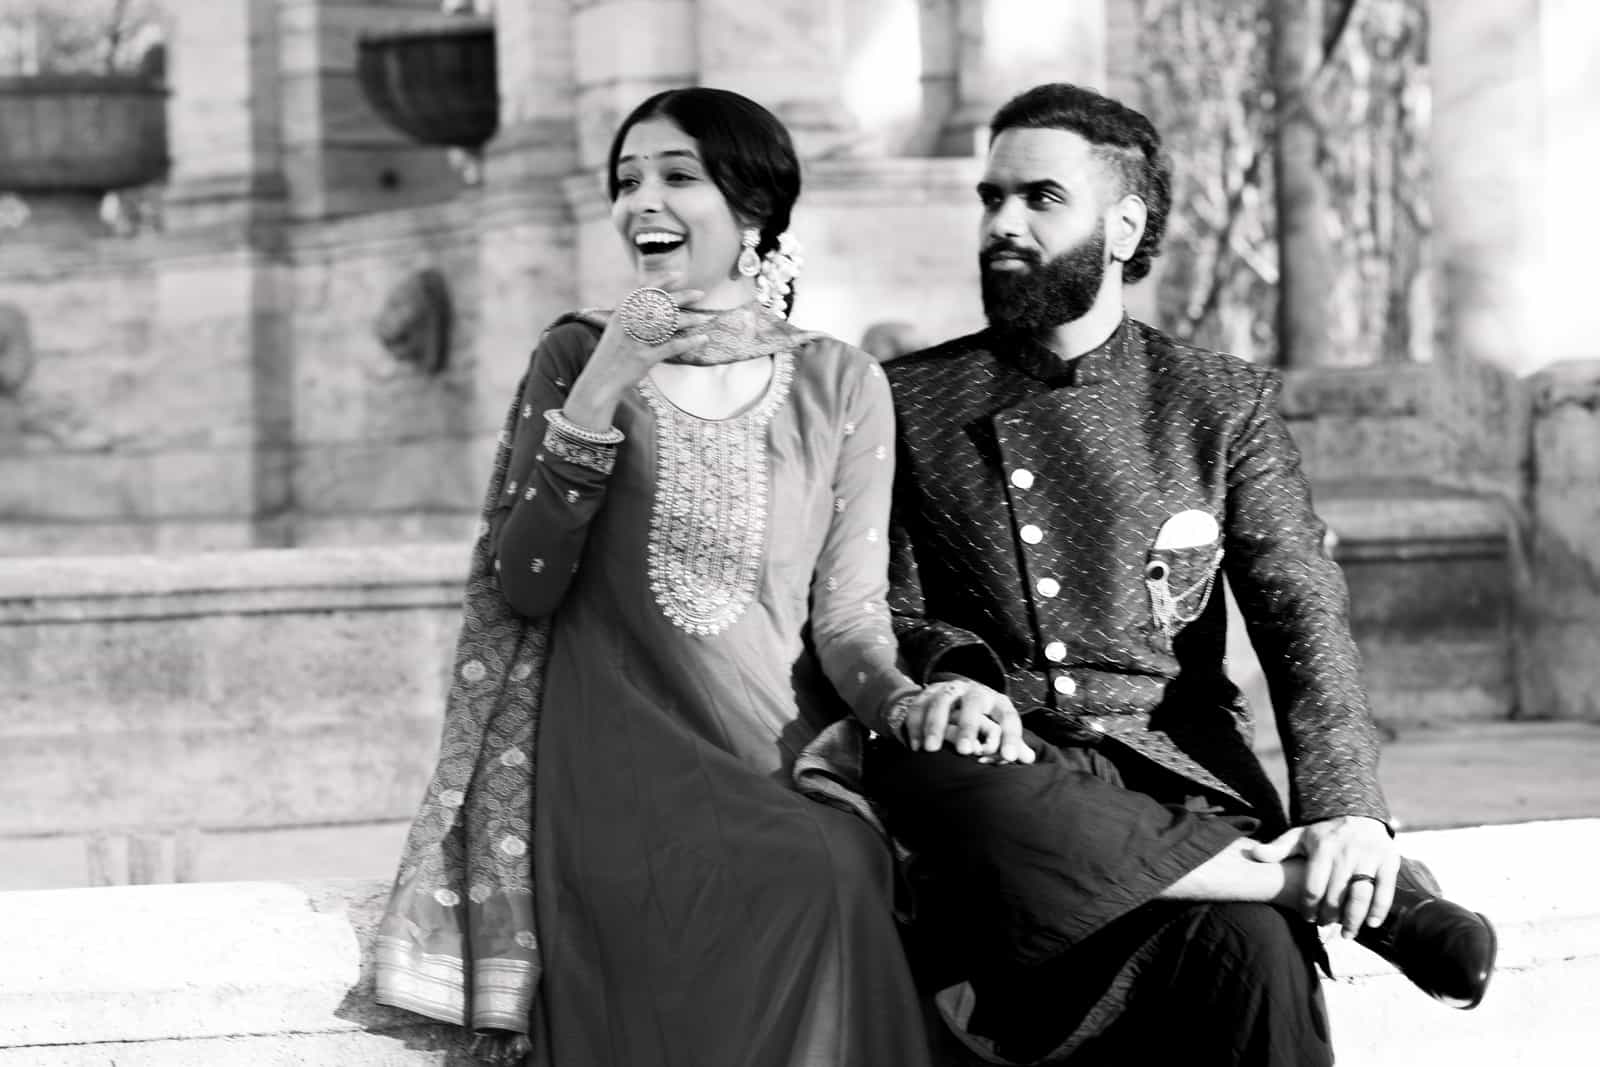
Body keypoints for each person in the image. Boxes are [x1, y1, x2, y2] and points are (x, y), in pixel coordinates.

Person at [868, 82, 1498, 1066]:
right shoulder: (906, 400)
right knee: (931, 769)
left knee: (1256, 965)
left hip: (1174, 773)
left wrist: (1346, 810)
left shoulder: (1218, 402)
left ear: (1122, 225)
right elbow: (889, 604)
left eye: (1038, 199)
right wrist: (955, 675)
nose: (1000, 223)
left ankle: (1266, 887)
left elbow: (1302, 611)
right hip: (1012, 776)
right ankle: (1281, 880)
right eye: (989, 198)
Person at [372, 87, 935, 1067]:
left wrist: (909, 703)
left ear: (754, 209)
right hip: (615, 766)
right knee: (796, 881)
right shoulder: (575, 355)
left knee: (839, 867)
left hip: (775, 754)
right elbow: (524, 582)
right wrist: (600, 386)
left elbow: (849, 617)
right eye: (627, 181)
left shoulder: (842, 382)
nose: (642, 203)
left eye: (678, 177)